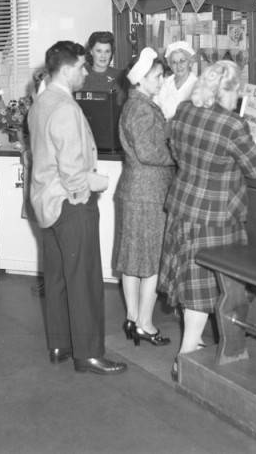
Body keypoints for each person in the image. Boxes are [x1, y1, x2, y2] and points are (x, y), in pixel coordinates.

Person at [158, 60, 256, 380]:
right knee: (204, 288)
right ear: (227, 90)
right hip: (215, 216)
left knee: (190, 284)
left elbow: (177, 152)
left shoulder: (185, 111)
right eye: (237, 90)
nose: (239, 96)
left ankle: (196, 346)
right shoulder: (232, 124)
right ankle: (186, 355)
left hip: (182, 208)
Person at [28, 40, 127, 375]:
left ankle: (60, 344)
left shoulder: (41, 101)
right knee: (83, 279)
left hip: (46, 202)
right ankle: (88, 354)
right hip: (72, 204)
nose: (85, 72)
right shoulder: (66, 108)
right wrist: (95, 183)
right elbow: (73, 173)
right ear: (68, 69)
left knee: (56, 276)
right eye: (82, 67)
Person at [113, 47, 175, 347]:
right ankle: (146, 324)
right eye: (158, 76)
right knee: (150, 261)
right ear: (142, 79)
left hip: (136, 191)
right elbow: (149, 152)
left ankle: (133, 318)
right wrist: (178, 153)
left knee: (133, 260)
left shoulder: (136, 104)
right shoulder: (140, 107)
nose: (161, 81)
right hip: (147, 193)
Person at [154, 40, 197, 120]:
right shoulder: (165, 83)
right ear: (170, 65)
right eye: (174, 62)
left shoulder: (197, 86)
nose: (178, 66)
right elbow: (155, 105)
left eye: (182, 61)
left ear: (190, 62)